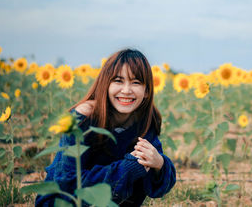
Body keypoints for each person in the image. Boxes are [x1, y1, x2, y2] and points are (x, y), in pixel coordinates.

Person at [36, 49, 176, 206]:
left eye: (136, 82)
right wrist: (126, 169)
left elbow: (158, 189)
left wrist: (159, 163)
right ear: (105, 84)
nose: (126, 90)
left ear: (147, 92)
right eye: (118, 80)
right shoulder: (82, 119)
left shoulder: (144, 122)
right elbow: (66, 183)